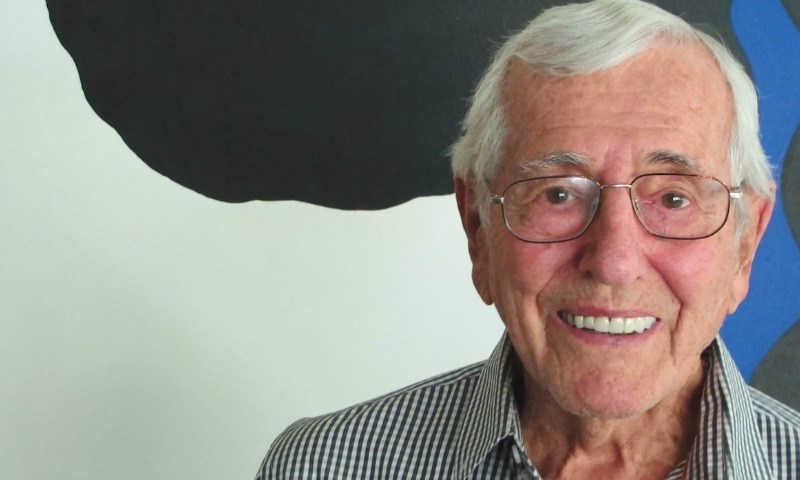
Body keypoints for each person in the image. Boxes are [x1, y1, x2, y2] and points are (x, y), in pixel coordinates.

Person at [255, 0, 800, 478]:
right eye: (557, 194)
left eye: (674, 199)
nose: (614, 261)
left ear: (746, 243)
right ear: (477, 227)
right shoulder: (321, 467)